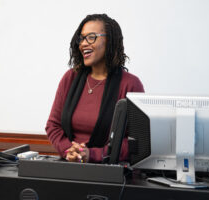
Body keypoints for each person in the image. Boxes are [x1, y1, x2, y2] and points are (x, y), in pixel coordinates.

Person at [45, 14, 144, 163]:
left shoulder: (130, 84)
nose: (83, 44)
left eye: (91, 37)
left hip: (109, 172)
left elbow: (136, 141)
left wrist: (92, 155)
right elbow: (53, 125)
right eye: (82, 38)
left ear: (110, 41)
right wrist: (70, 152)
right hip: (69, 166)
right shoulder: (70, 78)